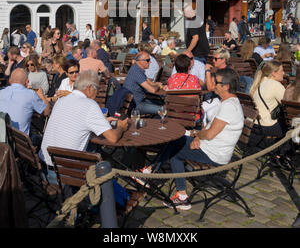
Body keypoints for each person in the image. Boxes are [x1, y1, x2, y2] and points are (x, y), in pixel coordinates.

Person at [138, 68, 244, 210]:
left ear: (226, 86)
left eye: (216, 82)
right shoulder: (226, 102)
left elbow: (210, 134)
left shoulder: (229, 106)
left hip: (215, 154)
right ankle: (150, 172)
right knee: (176, 139)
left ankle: (180, 195)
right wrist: (198, 136)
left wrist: (199, 137)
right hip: (210, 147)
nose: (212, 84)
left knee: (176, 151)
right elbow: (208, 127)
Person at [39, 70, 129, 183]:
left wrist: (102, 121)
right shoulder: (89, 105)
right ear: (90, 88)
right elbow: (113, 138)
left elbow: (74, 122)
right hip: (66, 175)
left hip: (45, 169)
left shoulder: (61, 100)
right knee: (110, 181)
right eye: (98, 89)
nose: (98, 92)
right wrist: (121, 126)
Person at [0, 68, 50, 135]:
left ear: (10, 81)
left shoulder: (1, 92)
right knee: (38, 137)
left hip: (2, 137)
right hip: (19, 141)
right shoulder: (31, 94)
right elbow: (47, 112)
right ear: (27, 82)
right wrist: (41, 95)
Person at [249, 61, 286, 142]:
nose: (284, 73)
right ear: (274, 73)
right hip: (268, 126)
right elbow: (287, 105)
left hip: (255, 125)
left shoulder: (258, 83)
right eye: (281, 71)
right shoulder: (275, 85)